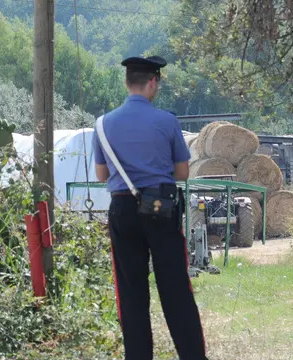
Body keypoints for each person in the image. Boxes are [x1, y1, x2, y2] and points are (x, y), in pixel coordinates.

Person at [93, 55, 208, 360]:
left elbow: (102, 175)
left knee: (131, 293)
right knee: (175, 289)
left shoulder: (102, 124)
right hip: (161, 207)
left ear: (126, 82)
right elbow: (182, 173)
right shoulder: (167, 121)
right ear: (153, 82)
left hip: (122, 210)